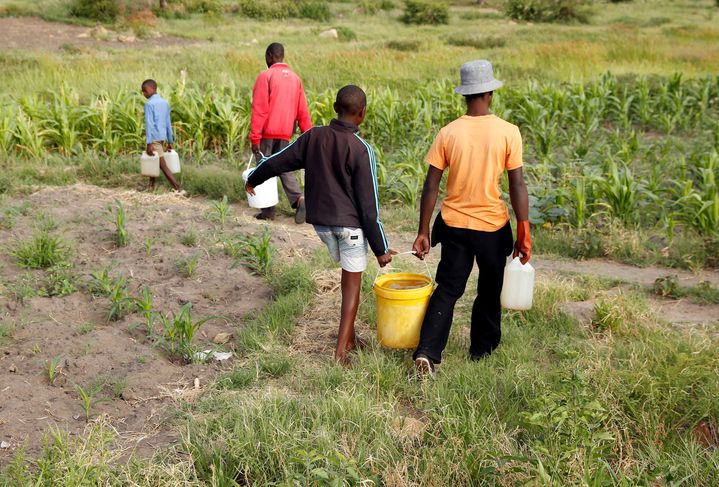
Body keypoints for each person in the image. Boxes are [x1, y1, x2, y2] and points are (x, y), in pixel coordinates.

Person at [245, 85, 394, 365]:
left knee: (347, 274)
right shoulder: (362, 150)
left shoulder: (313, 136)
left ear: (335, 107)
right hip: (350, 229)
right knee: (352, 287)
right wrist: (381, 248)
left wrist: (254, 177)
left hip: (322, 227)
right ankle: (341, 352)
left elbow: (278, 161)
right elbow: (369, 206)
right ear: (362, 114)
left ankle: (349, 337)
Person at [411, 60, 531, 377]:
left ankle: (427, 353)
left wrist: (423, 230)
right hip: (492, 228)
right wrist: (524, 229)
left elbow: (431, 185)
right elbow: (517, 184)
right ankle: (482, 352)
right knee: (489, 291)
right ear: (489, 92)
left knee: (448, 289)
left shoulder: (449, 133)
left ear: (465, 95)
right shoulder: (508, 132)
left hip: (454, 227)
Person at [250, 42, 312, 223]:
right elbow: (303, 110)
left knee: (264, 167)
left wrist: (255, 137)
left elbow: (259, 109)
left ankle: (268, 211)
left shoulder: (265, 76)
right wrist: (307, 135)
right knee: (283, 166)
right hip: (286, 132)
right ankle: (298, 199)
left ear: (269, 56)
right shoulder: (295, 79)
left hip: (267, 132)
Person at [142, 79, 180, 191]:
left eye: (144, 91)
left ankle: (178, 188)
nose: (143, 94)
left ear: (151, 89)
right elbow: (168, 123)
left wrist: (149, 143)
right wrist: (170, 141)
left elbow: (149, 124)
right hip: (162, 137)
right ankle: (151, 187)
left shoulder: (149, 104)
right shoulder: (165, 103)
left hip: (153, 139)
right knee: (152, 159)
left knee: (162, 165)